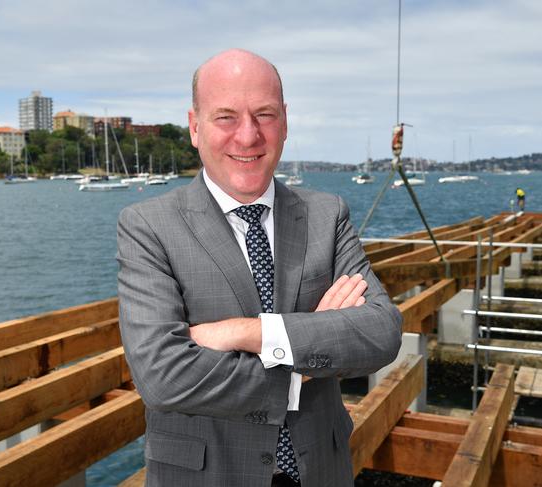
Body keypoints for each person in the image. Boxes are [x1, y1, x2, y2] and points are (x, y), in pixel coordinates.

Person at [117, 49, 402, 487]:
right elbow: (162, 377)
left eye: (264, 115)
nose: (248, 136)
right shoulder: (148, 226)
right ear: (195, 127)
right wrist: (304, 352)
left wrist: (251, 334)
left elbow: (380, 333)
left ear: (285, 122)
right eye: (226, 117)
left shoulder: (327, 216)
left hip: (320, 471)